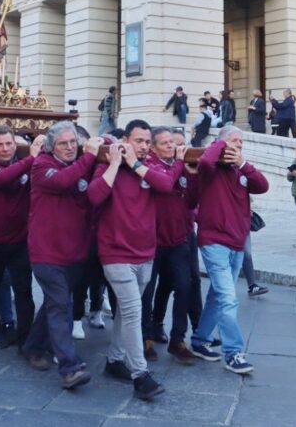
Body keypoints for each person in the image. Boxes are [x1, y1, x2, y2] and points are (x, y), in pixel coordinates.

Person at [89, 120, 181, 400]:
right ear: (126, 140)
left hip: (145, 253)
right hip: (116, 253)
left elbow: (166, 184)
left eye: (146, 142)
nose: (142, 146)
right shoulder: (107, 166)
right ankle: (140, 374)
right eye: (137, 141)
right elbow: (93, 196)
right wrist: (117, 163)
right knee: (132, 312)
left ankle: (115, 359)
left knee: (126, 313)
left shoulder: (148, 168)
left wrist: (137, 164)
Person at [21, 122, 100, 390]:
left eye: (73, 143)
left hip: (73, 252)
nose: (70, 148)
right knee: (60, 305)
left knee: (55, 304)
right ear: (51, 147)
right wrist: (88, 156)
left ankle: (32, 346)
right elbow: (65, 182)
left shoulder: (79, 166)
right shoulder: (42, 166)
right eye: (63, 143)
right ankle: (69, 367)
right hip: (46, 253)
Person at [189, 126, 268, 375]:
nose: (239, 145)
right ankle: (233, 353)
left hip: (237, 242)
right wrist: (221, 145)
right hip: (214, 241)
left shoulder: (240, 169)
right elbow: (205, 163)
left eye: (241, 141)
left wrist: (243, 162)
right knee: (227, 298)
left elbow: (262, 185)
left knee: (218, 295)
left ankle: (200, 340)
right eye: (234, 141)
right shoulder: (210, 169)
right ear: (221, 143)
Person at [0, 126, 41, 351]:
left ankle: (25, 335)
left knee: (23, 289)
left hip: (19, 240)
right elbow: (3, 178)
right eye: (0, 145)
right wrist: (31, 157)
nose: (5, 148)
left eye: (9, 144)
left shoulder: (24, 166)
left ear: (15, 145)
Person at [142, 126, 198, 364]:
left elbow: (193, 200)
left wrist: (193, 175)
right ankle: (146, 337)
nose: (171, 147)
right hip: (151, 241)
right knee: (147, 290)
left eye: (172, 143)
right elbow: (164, 183)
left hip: (177, 240)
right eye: (164, 143)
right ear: (153, 147)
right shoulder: (149, 165)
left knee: (184, 287)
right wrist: (178, 164)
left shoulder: (180, 166)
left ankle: (178, 338)